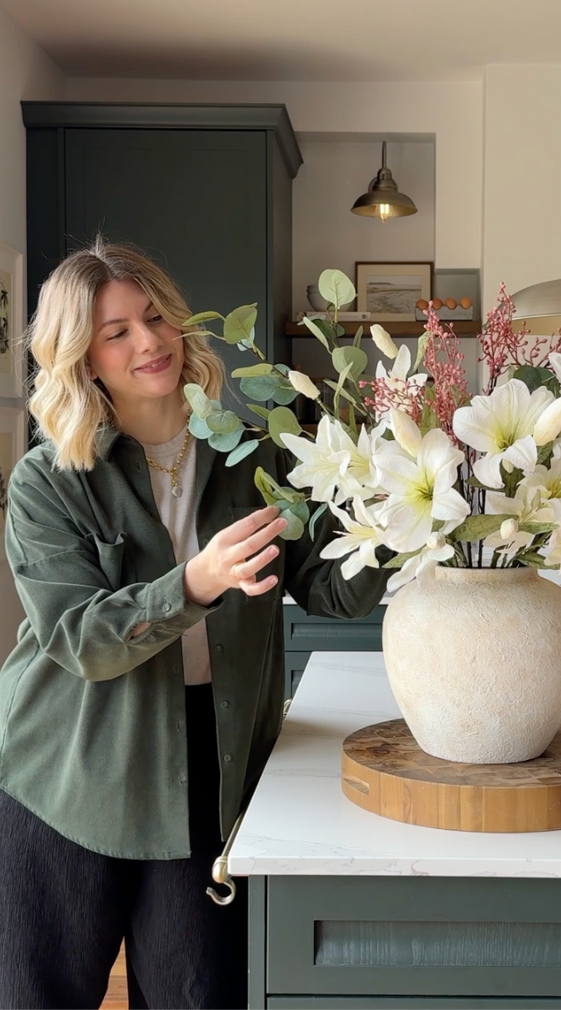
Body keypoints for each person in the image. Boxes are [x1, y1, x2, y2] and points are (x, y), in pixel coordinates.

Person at [0, 239, 390, 1010]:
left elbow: (331, 594)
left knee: (199, 993)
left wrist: (393, 517)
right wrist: (197, 582)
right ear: (83, 357)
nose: (148, 342)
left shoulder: (255, 460)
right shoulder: (48, 481)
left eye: (155, 318)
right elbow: (80, 639)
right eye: (116, 332)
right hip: (68, 770)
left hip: (211, 772)